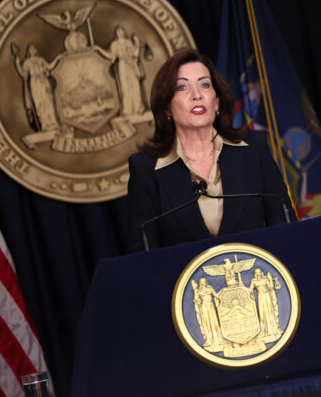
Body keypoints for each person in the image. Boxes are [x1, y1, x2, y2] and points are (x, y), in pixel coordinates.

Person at [126, 49, 294, 253]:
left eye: (204, 84)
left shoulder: (254, 149)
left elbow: (286, 229)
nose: (196, 95)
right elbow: (142, 253)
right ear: (167, 108)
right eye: (182, 87)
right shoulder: (145, 169)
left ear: (216, 102)